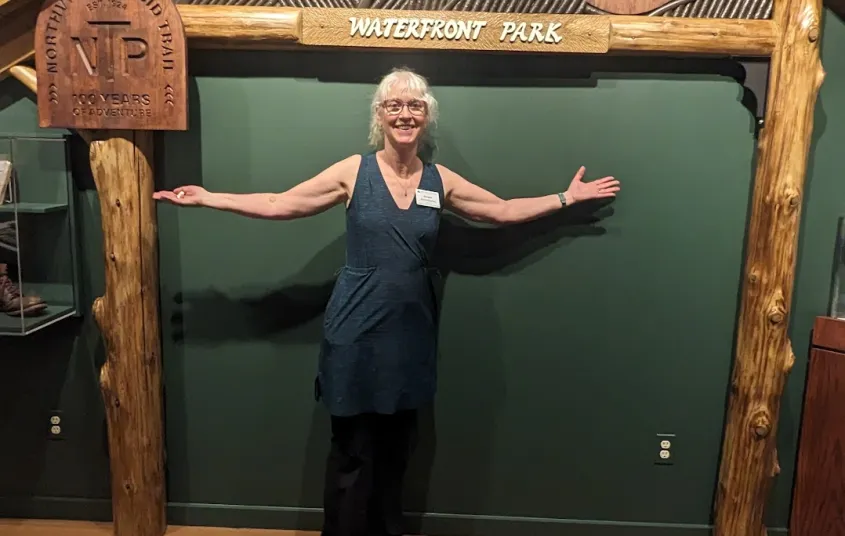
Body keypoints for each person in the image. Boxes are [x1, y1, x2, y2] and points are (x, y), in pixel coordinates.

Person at [153, 67, 620, 536]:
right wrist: (211, 198)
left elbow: (500, 209)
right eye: (394, 105)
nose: (404, 113)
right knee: (352, 450)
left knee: (397, 451)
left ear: (426, 116)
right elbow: (280, 203)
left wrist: (566, 197)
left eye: (414, 105)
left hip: (411, 332)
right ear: (380, 114)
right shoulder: (353, 172)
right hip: (353, 329)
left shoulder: (440, 180)